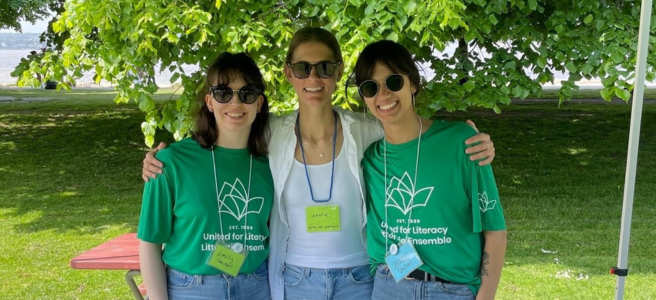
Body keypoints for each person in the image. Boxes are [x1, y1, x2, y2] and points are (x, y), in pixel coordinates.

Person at [141, 27, 497, 300]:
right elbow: (224, 135)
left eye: (325, 67)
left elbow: (409, 128)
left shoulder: (369, 130)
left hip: (363, 279)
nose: (314, 78)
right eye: (303, 67)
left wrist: (472, 142)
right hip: (297, 280)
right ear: (287, 73)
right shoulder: (271, 136)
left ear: (339, 72)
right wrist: (158, 159)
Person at [354, 40, 507, 300]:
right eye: (371, 87)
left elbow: (495, 230)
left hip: (452, 290)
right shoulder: (371, 159)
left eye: (393, 82)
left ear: (412, 83)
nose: (383, 95)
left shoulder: (463, 143)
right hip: (390, 287)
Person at [137, 52, 274, 300]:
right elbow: (149, 243)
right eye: (223, 93)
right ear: (210, 102)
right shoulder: (170, 162)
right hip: (192, 289)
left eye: (247, 94)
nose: (235, 103)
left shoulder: (273, 162)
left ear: (259, 103)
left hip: (257, 286)